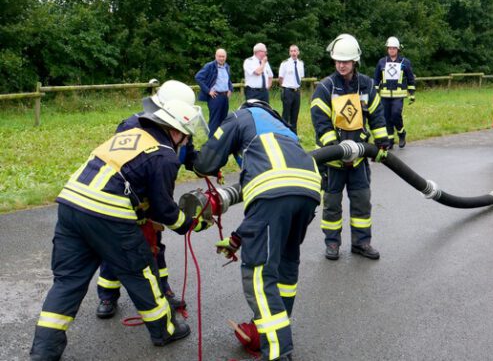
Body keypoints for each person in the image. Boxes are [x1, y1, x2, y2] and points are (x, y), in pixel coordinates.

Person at [29, 80, 212, 361]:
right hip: (108, 215)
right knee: (141, 273)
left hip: (70, 205)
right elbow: (163, 211)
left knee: (67, 282)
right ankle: (164, 330)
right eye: (186, 136)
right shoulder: (164, 156)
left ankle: (44, 352)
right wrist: (191, 224)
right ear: (175, 131)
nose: (187, 141)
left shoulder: (132, 134)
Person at [194, 99, 321, 361]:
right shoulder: (284, 128)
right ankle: (277, 326)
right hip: (307, 192)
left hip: (273, 193)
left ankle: (277, 351)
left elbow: (206, 163)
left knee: (259, 276)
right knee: (286, 262)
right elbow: (269, 215)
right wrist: (239, 237)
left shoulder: (241, 116)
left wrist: (188, 156)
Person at [94, 84, 201, 319]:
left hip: (158, 192)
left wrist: (203, 165)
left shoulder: (180, 126)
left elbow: (188, 153)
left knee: (155, 246)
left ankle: (163, 291)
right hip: (129, 200)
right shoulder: (132, 125)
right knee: (117, 248)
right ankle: (107, 296)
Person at [310, 33, 389, 261]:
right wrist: (334, 147)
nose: (341, 65)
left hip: (359, 157)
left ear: (355, 61)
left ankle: (361, 243)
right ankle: (332, 243)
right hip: (333, 160)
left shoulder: (366, 85)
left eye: (345, 61)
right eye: (338, 61)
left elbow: (376, 113)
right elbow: (320, 120)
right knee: (332, 204)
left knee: (362, 201)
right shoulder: (325, 88)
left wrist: (382, 141)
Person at [373, 36, 416, 149]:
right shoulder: (381, 62)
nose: (391, 50)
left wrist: (412, 93)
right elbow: (376, 78)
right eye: (390, 48)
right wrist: (375, 92)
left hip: (398, 95)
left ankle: (401, 133)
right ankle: (390, 140)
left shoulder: (405, 62)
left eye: (394, 48)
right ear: (387, 49)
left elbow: (410, 78)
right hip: (385, 95)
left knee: (396, 114)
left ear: (398, 49)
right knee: (386, 117)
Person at [195, 48, 234, 135]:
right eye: (219, 56)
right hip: (215, 97)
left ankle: (221, 140)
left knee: (224, 120)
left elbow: (228, 80)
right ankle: (212, 143)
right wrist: (208, 91)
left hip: (225, 97)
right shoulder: (210, 66)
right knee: (214, 121)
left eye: (223, 56)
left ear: (226, 57)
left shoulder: (227, 66)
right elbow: (198, 77)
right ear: (216, 56)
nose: (221, 58)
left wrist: (230, 89)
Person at [278, 45, 305, 133]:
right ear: (289, 53)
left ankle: (294, 134)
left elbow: (301, 77)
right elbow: (280, 78)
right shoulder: (284, 63)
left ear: (298, 52)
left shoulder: (301, 63)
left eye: (295, 51)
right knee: (286, 114)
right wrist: (285, 88)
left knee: (295, 114)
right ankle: (284, 133)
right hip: (288, 91)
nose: (293, 53)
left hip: (296, 91)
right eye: (291, 51)